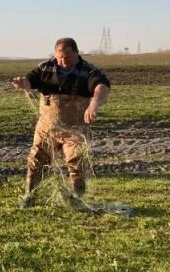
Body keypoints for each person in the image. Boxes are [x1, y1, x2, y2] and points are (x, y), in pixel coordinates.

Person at [11, 37, 110, 208]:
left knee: (76, 160)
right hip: (47, 128)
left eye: (67, 58)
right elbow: (29, 81)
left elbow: (101, 87)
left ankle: (77, 199)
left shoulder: (89, 71)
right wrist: (22, 83)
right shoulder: (46, 67)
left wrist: (94, 104)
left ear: (77, 53)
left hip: (74, 130)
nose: (63, 62)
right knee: (36, 160)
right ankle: (29, 195)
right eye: (60, 58)